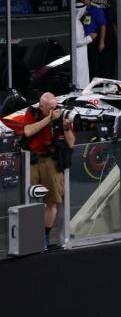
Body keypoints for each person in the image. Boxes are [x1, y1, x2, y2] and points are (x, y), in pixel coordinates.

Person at [1, 92, 75, 248]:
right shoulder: (32, 112)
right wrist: (49, 119)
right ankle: (29, 238)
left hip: (52, 160)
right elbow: (28, 131)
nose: (54, 109)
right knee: (30, 200)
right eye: (50, 107)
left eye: (55, 106)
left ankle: (45, 236)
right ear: (42, 106)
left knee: (52, 201)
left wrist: (66, 128)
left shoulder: (62, 115)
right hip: (32, 160)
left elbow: (71, 143)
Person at [77, 0, 107, 87]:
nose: (84, 0)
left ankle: (95, 85)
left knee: (93, 64)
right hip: (81, 42)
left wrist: (101, 42)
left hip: (92, 41)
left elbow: (103, 25)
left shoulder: (96, 10)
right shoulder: (77, 10)